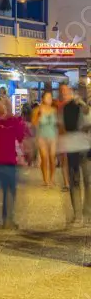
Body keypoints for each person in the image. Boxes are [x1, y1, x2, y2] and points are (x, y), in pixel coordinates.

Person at [0, 98, 25, 228]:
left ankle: (7, 218)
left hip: (9, 161)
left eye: (2, 104)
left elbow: (20, 136)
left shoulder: (13, 121)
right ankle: (1, 219)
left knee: (9, 191)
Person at [58, 83, 91, 223]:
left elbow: (87, 124)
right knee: (75, 182)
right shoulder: (66, 108)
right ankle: (78, 214)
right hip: (74, 149)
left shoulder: (85, 107)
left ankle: (87, 213)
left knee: (88, 182)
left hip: (86, 149)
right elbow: (64, 126)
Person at [32, 91, 59, 187]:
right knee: (44, 158)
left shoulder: (54, 110)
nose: (49, 99)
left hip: (53, 136)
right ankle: (45, 179)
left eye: (51, 97)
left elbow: (57, 125)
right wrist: (39, 115)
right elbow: (34, 123)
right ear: (43, 98)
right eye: (47, 97)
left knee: (52, 158)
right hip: (42, 136)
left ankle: (51, 178)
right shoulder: (37, 110)